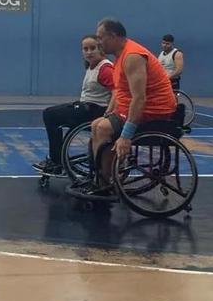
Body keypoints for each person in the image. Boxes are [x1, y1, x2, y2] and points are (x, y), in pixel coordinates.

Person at [86, 19, 177, 195]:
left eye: (100, 37)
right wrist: (111, 110)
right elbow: (122, 91)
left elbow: (139, 98)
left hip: (154, 111)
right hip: (137, 109)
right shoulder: (121, 56)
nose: (98, 42)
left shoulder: (132, 56)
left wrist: (126, 136)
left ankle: (104, 184)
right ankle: (101, 177)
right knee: (96, 124)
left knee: (103, 129)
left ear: (113, 36)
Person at [33, 35, 114, 175]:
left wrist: (110, 112)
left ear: (100, 49)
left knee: (50, 114)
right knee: (53, 114)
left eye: (92, 48)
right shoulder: (91, 67)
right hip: (87, 107)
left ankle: (56, 161)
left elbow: (118, 91)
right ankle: (57, 159)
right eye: (85, 49)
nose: (89, 52)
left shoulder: (105, 69)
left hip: (95, 111)